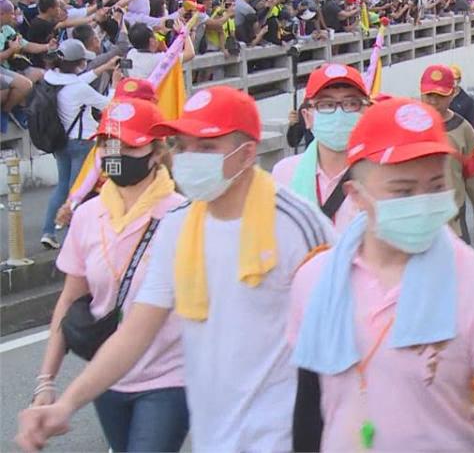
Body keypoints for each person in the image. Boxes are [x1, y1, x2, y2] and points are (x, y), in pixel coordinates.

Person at [16, 86, 336, 452]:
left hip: (287, 435)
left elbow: (339, 332)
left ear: (247, 152)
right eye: (184, 146)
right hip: (215, 434)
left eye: (207, 147)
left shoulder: (298, 223)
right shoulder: (178, 225)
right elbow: (134, 331)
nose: (190, 157)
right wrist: (67, 403)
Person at [287, 97, 474, 452]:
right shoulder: (316, 280)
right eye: (403, 191)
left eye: (436, 186)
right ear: (356, 195)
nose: (423, 201)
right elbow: (309, 407)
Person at [33, 98, 189, 452]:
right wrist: (46, 381)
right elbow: (70, 299)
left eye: (129, 144)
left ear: (155, 150)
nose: (116, 153)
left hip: (170, 376)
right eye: (109, 144)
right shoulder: (88, 216)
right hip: (107, 374)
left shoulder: (183, 215)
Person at [40, 40, 119, 250]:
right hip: (82, 142)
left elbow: (77, 81)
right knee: (79, 192)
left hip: (60, 141)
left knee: (63, 187)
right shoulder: (79, 89)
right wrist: (115, 84)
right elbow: (109, 105)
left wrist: (104, 68)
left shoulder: (51, 79)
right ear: (80, 62)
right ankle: (73, 240)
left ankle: (48, 231)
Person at [271, 64, 369, 228]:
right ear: (307, 116)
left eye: (351, 103)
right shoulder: (284, 173)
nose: (339, 113)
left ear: (366, 112)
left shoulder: (382, 176)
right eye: (326, 105)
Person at [419, 64, 474, 245]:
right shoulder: (408, 126)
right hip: (416, 223)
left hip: (453, 224)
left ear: (452, 94)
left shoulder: (463, 130)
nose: (433, 101)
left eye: (440, 96)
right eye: (429, 95)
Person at [125, 22, 195, 80]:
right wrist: (184, 32)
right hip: (154, 95)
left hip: (137, 93)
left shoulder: (131, 54)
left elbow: (166, 53)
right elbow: (190, 54)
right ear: (151, 41)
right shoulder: (158, 59)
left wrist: (161, 34)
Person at [447, 63, 474, 131]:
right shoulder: (441, 98)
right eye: (449, 78)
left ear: (459, 80)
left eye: (455, 78)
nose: (452, 81)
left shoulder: (467, 101)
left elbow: (472, 125)